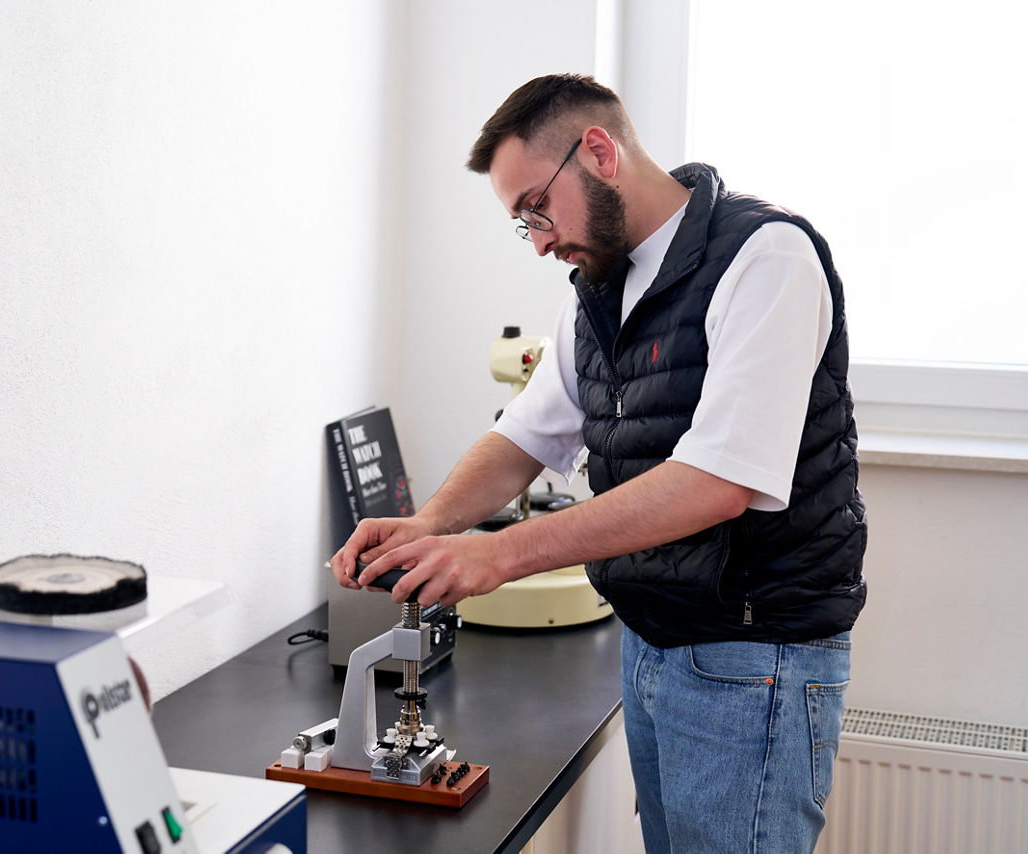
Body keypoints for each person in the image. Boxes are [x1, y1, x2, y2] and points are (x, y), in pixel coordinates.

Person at [330, 73, 866, 853]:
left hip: (755, 656)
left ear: (599, 151)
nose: (540, 240)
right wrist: (426, 525)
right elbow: (526, 436)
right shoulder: (597, 289)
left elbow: (718, 482)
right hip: (652, 642)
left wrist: (499, 554)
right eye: (525, 225)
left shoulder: (766, 256)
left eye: (536, 211)